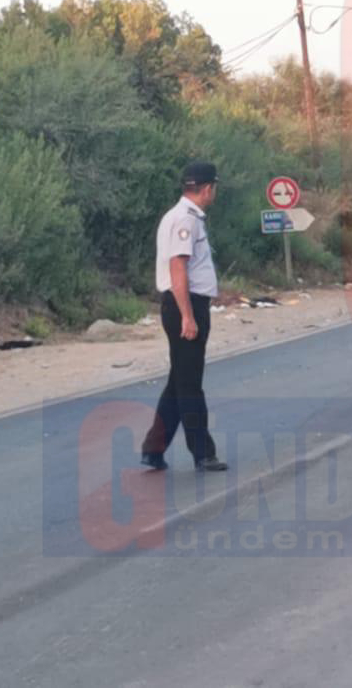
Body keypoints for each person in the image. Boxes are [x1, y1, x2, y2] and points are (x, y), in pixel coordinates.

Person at [141, 162, 228, 472]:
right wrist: (187, 316)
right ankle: (203, 452)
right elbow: (178, 267)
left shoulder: (182, 216)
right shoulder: (185, 220)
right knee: (190, 383)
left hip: (184, 304)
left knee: (179, 381)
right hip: (184, 304)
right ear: (207, 188)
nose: (213, 192)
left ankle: (153, 448)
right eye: (213, 187)